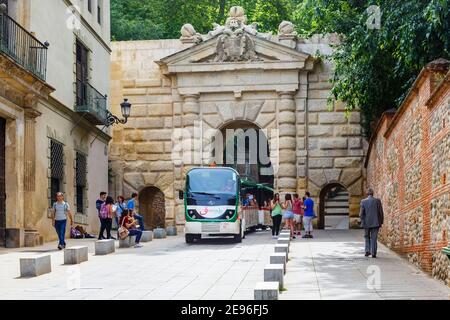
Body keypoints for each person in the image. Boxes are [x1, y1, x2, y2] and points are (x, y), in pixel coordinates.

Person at [360, 188, 384, 258]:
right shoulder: (377, 201)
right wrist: (381, 221)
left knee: (367, 237)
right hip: (376, 223)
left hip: (366, 223)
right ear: (373, 193)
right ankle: (373, 253)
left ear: (366, 194)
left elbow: (361, 214)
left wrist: (362, 221)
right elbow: (381, 213)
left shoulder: (363, 201)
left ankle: (367, 250)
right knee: (374, 238)